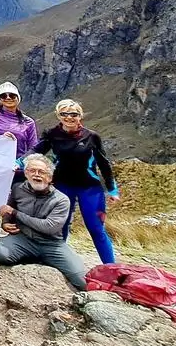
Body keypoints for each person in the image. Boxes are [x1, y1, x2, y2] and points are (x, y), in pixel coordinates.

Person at [34, 98, 120, 264]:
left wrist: (112, 190)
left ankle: (111, 267)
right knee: (61, 225)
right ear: (58, 115)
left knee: (96, 228)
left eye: (73, 114)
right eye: (63, 114)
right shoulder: (52, 134)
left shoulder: (92, 137)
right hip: (62, 186)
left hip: (90, 188)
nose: (69, 117)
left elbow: (104, 164)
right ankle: (59, 262)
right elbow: (36, 151)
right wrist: (18, 161)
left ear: (80, 116)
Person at [0, 154, 87, 290]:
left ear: (50, 177)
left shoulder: (61, 200)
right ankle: (33, 257)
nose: (37, 175)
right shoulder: (18, 189)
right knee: (0, 253)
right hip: (23, 239)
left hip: (52, 244)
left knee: (83, 281)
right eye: (32, 171)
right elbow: (9, 209)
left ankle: (43, 258)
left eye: (42, 172)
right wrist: (5, 223)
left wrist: (15, 213)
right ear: (26, 174)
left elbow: (49, 228)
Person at [0, 81, 41, 250]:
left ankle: (16, 240)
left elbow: (33, 147)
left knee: (20, 202)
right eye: (3, 95)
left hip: (19, 168)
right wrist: (0, 139)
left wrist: (20, 162)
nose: (8, 98)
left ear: (18, 98)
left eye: (12, 95)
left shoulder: (28, 122)